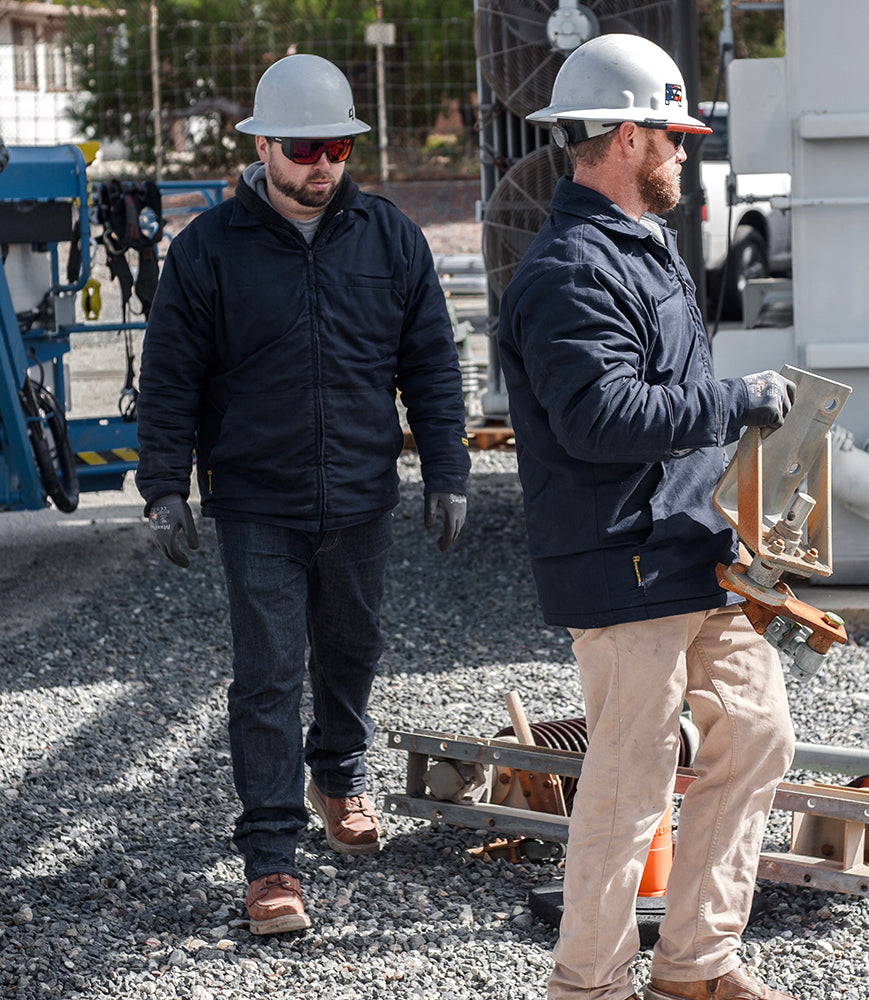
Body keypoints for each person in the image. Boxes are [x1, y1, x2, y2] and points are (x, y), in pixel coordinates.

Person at [136, 53, 470, 935]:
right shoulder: (207, 248)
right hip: (256, 502)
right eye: (301, 147)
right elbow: (170, 374)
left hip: (362, 496)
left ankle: (340, 775)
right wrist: (165, 484)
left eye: (334, 147)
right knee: (269, 674)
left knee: (353, 648)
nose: (319, 164)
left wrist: (449, 470)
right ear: (264, 147)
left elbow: (431, 363)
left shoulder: (390, 237)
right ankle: (272, 861)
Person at [496, 34, 799, 1000]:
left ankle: (696, 965)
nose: (682, 150)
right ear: (627, 136)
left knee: (758, 736)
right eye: (670, 134)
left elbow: (664, 395)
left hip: (688, 550)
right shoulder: (569, 273)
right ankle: (587, 984)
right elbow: (602, 421)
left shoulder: (643, 245)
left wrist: (739, 511)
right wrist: (737, 402)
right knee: (629, 788)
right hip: (622, 563)